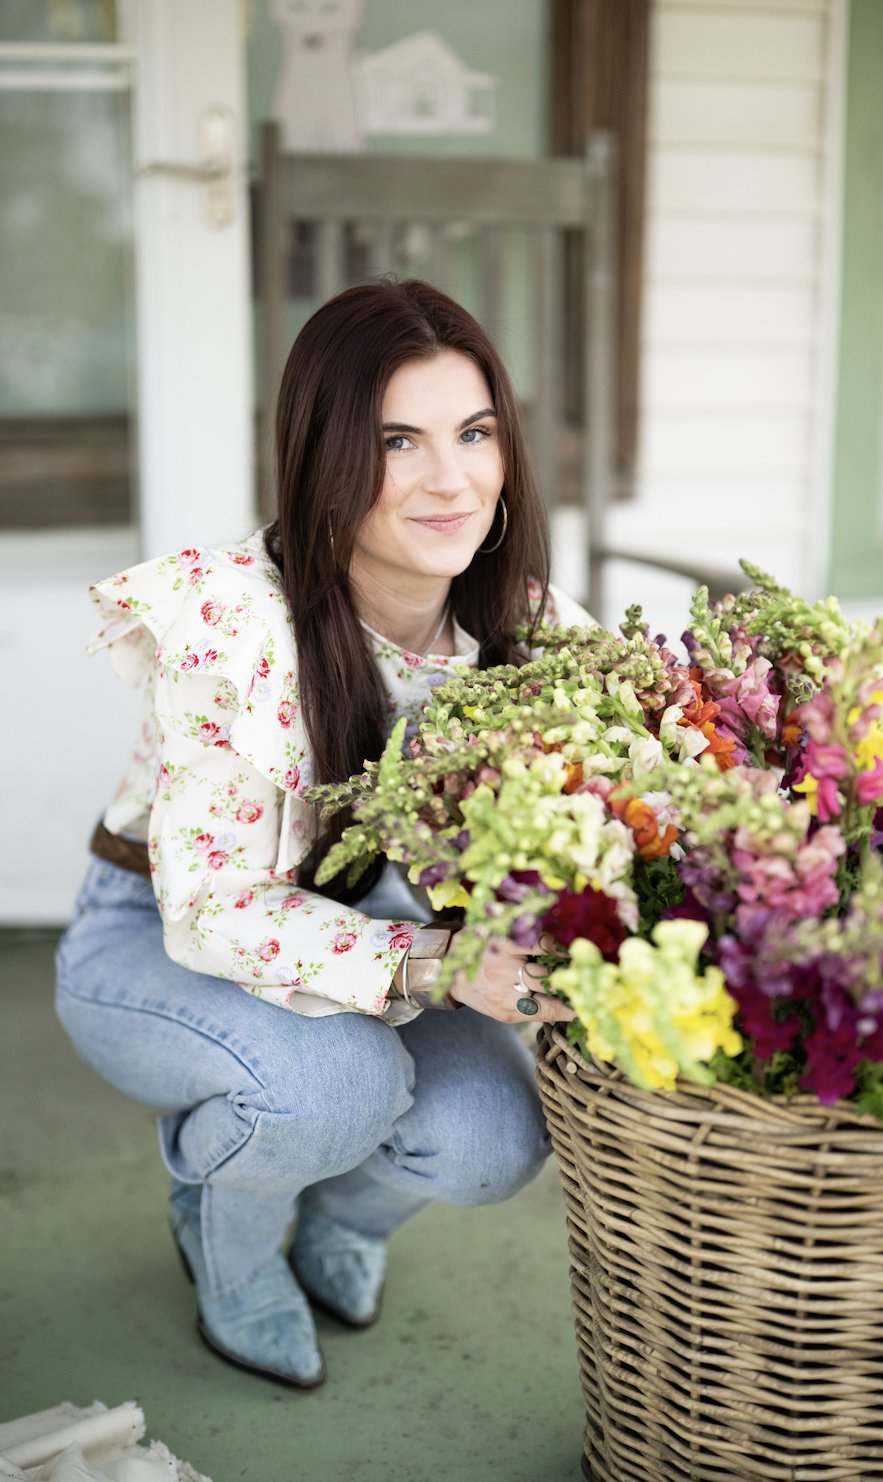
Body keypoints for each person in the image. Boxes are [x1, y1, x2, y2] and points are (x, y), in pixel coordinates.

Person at [55, 279, 586, 1389]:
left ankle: (341, 1219)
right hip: (153, 933)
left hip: (368, 925)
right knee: (332, 1089)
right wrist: (440, 963)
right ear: (324, 456)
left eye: (474, 432)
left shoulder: (524, 626)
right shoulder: (235, 622)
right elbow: (212, 913)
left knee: (495, 1143)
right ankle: (231, 1237)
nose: (452, 480)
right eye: (398, 442)